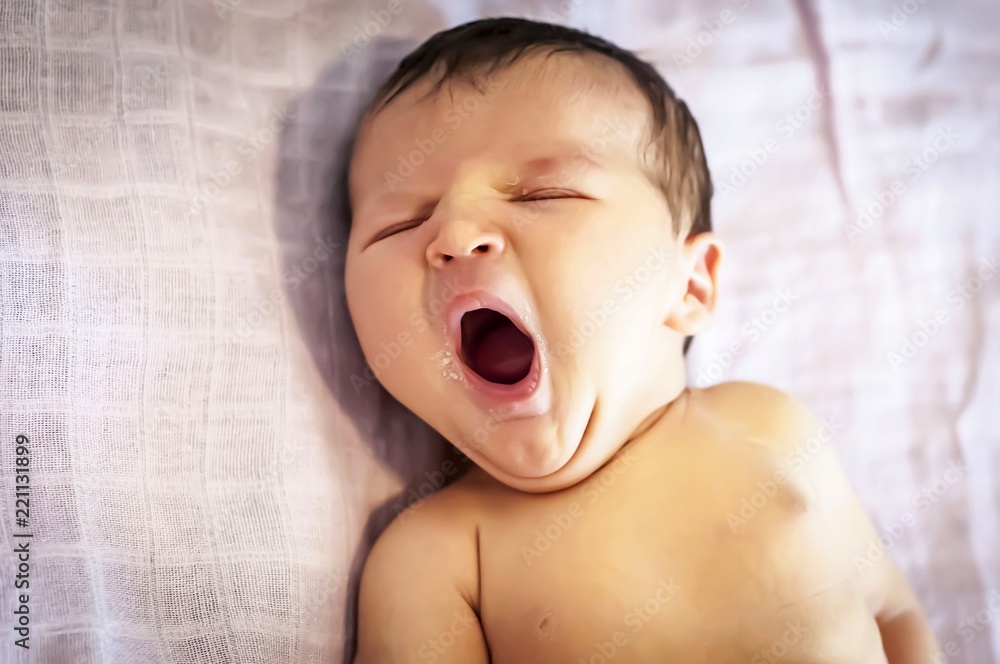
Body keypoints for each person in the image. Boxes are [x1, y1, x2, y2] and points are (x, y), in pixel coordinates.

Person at [343, 17, 941, 663]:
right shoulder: (436, 558)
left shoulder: (769, 426)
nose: (456, 234)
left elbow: (894, 610)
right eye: (400, 224)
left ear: (689, 287)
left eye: (544, 193)